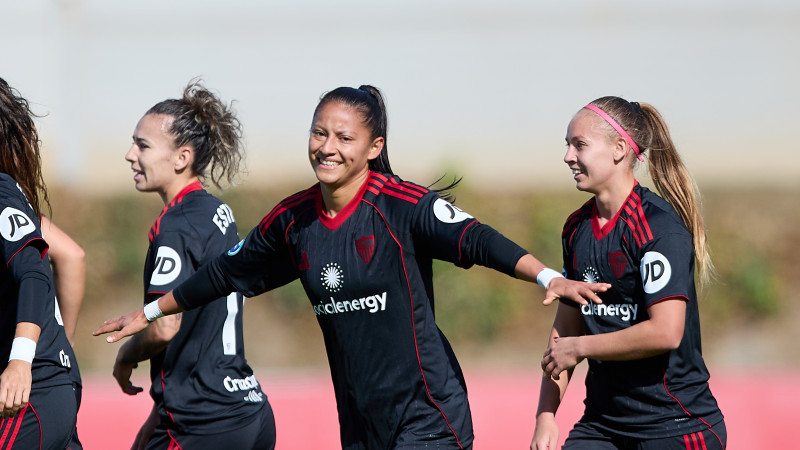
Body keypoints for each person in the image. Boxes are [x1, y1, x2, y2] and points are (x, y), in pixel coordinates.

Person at [96, 85, 610, 450]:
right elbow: (224, 273)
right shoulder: (293, 219)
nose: (328, 147)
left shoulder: (401, 206)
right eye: (320, 134)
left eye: (344, 138)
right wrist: (150, 311)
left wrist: (549, 277)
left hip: (427, 416)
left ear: (373, 148)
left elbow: (478, 239)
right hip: (361, 423)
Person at [531, 97, 726, 450]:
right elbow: (567, 330)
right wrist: (545, 416)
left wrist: (581, 347)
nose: (568, 157)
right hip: (603, 427)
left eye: (580, 145)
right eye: (567, 145)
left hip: (675, 425)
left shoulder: (657, 228)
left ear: (619, 149)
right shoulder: (576, 229)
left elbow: (666, 332)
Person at [110, 79, 276, 450]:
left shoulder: (176, 226)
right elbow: (197, 333)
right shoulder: (217, 211)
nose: (129, 154)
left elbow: (166, 326)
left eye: (142, 145)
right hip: (249, 410)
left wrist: (126, 356)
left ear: (181, 158)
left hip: (203, 422)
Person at [0, 76, 80, 448]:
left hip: (32, 391)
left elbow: (34, 271)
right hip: (51, 381)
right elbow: (72, 255)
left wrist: (23, 359)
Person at [41, 215, 87, 450]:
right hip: (59, 373)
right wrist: (63, 345)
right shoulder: (16, 197)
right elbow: (72, 255)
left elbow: (71, 255)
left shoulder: (7, 197)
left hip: (32, 376)